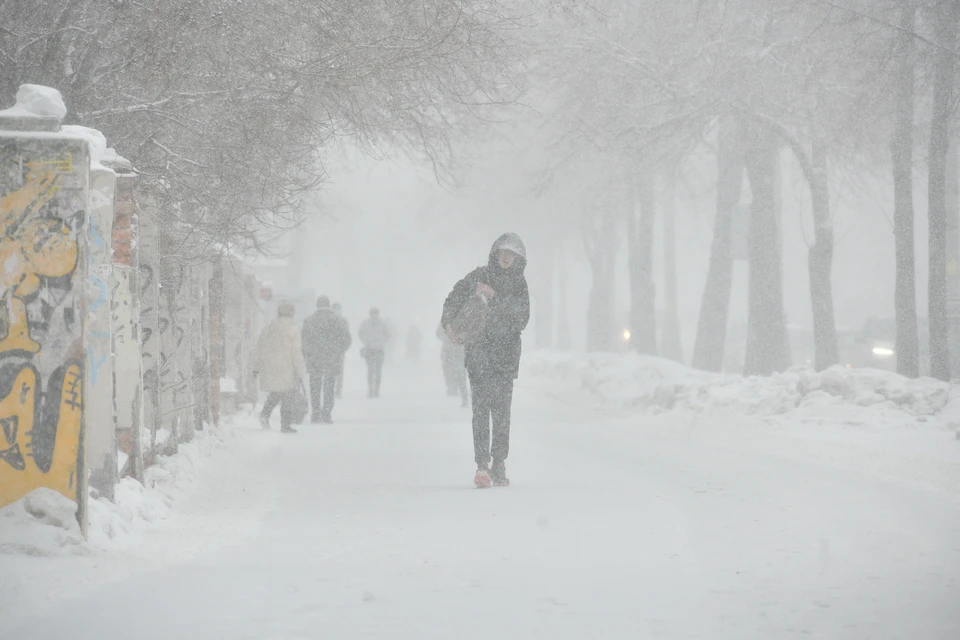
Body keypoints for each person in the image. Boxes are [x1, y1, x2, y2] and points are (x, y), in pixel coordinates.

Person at [442, 233, 529, 488]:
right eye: (503, 253)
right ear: (495, 254)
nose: (506, 258)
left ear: (518, 259)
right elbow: (452, 300)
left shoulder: (519, 284)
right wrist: (449, 325)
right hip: (479, 355)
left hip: (505, 358)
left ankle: (499, 463)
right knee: (480, 412)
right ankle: (482, 465)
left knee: (502, 413)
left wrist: (494, 299)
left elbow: (522, 318)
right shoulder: (477, 276)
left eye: (511, 255)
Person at [252, 300, 307, 433]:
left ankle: (265, 415)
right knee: (286, 395)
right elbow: (296, 353)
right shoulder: (292, 330)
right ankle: (285, 424)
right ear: (291, 313)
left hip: (270, 366)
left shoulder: (268, 328)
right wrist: (300, 372)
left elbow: (259, 348)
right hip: (286, 367)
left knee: (276, 393)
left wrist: (256, 367)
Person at [301, 296, 351, 423]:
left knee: (315, 387)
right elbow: (346, 339)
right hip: (332, 358)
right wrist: (339, 351)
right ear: (328, 305)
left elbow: (303, 340)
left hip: (314, 358)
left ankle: (315, 414)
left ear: (317, 305)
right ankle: (326, 414)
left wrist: (307, 353)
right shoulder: (338, 320)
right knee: (329, 387)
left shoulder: (309, 320)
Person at [359, 307, 391, 397]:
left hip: (379, 350)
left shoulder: (383, 323)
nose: (374, 315)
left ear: (378, 314)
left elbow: (388, 334)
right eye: (373, 313)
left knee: (378, 370)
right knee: (370, 370)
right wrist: (365, 341)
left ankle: (376, 391)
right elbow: (360, 333)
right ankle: (370, 390)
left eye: (376, 313)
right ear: (370, 314)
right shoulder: (365, 323)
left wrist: (382, 342)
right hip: (369, 349)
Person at [437, 323, 468, 407]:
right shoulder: (447, 321)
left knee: (459, 374)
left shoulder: (450, 320)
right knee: (453, 372)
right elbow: (438, 333)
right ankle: (453, 388)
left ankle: (461, 394)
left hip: (456, 352)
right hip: (453, 352)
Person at [332, 303, 348, 398]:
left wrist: (343, 347)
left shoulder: (343, 321)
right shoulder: (342, 321)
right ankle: (333, 389)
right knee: (334, 371)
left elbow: (347, 336)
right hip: (333, 350)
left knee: (338, 371)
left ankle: (337, 390)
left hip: (338, 350)